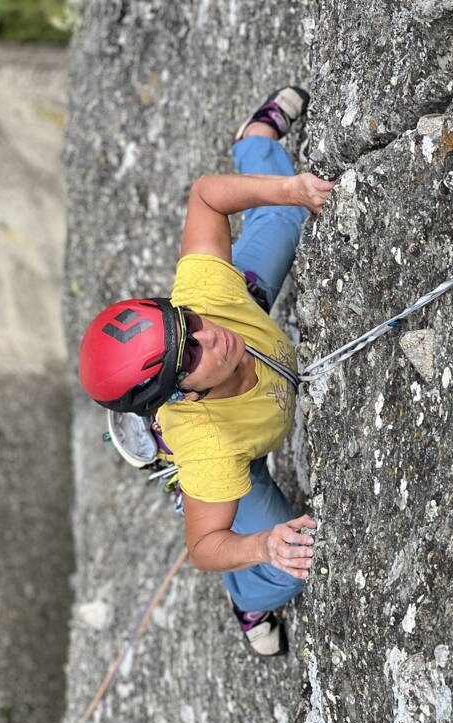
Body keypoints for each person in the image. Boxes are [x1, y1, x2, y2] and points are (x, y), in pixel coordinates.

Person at [78, 87, 335, 656]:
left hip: (250, 319)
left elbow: (207, 198)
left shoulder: (206, 299)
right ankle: (250, 599)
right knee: (296, 565)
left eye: (183, 324)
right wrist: (264, 547)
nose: (206, 335)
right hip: (238, 451)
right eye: (188, 356)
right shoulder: (209, 449)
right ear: (183, 397)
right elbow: (204, 546)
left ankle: (256, 139)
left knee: (286, 217)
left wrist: (289, 189)